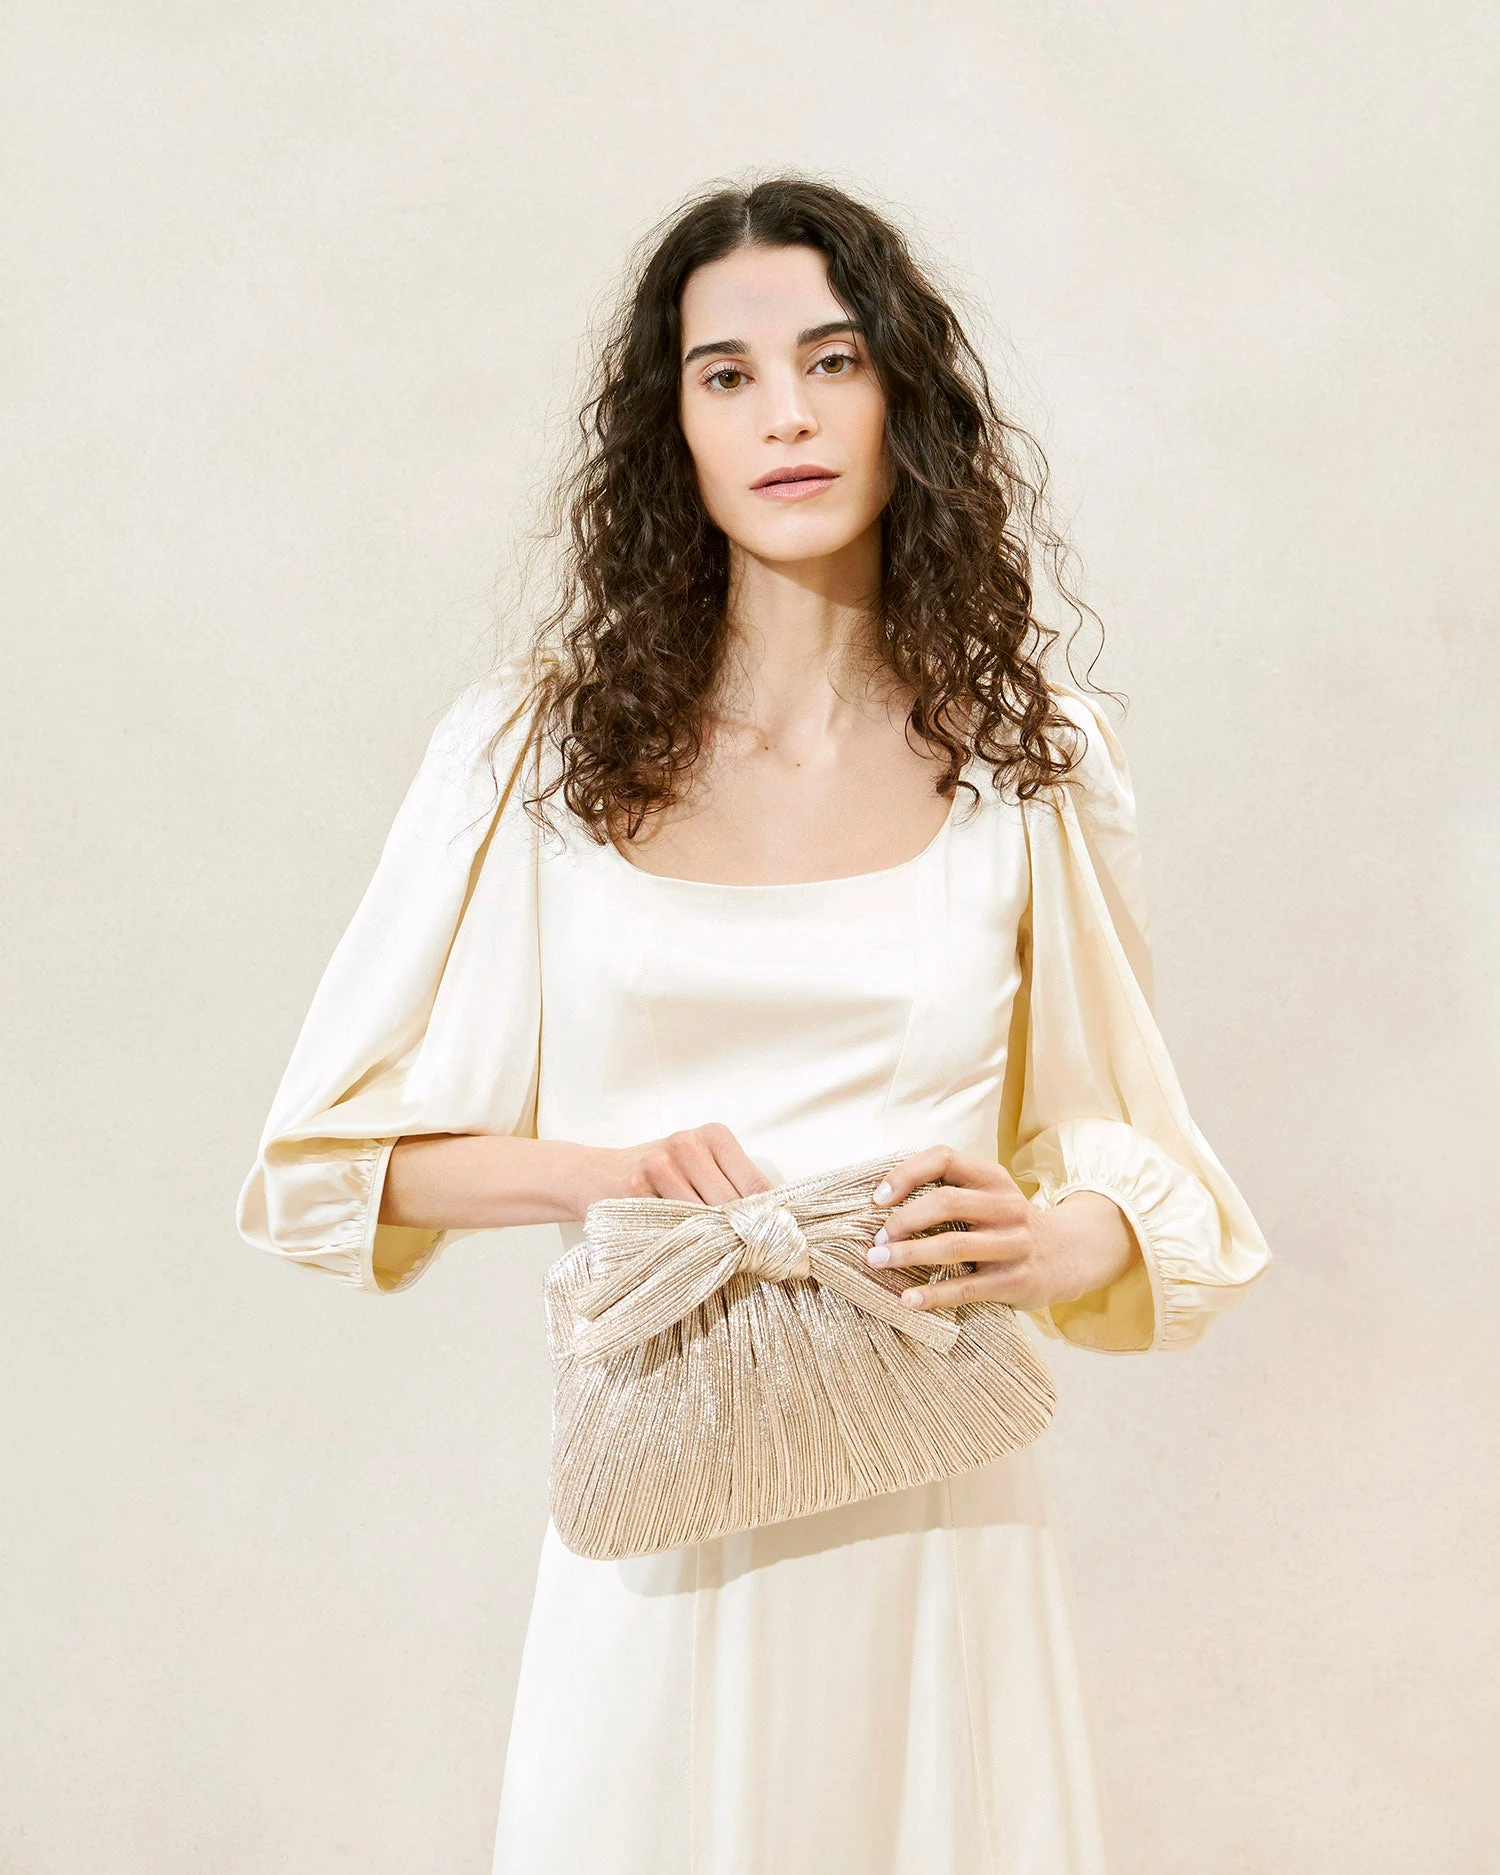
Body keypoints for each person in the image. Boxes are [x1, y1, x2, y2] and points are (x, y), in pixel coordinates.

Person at [237, 176, 1271, 1875]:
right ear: (676, 432)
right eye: (727, 374)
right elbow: (325, 1168)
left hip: (935, 1511)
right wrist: (606, 1173)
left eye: (832, 360)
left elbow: (1144, 1162)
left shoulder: (1033, 760)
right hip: (653, 1516)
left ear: (902, 402)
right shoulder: (529, 758)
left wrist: (1049, 1236)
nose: (784, 413)